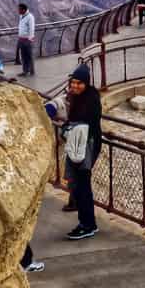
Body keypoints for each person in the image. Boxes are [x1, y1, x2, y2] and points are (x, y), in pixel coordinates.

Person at [63, 63, 102, 240]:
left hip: (87, 146)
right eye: (74, 82)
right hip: (78, 144)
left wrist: (69, 126)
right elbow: (72, 118)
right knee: (77, 185)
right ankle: (87, 222)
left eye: (79, 83)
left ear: (86, 84)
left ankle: (87, 225)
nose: (75, 86)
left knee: (83, 185)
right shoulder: (76, 97)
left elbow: (86, 120)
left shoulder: (91, 98)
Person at [17, 3, 36, 77]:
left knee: (29, 56)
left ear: (23, 10)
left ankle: (32, 71)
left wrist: (30, 39)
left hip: (27, 40)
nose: (18, 10)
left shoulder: (30, 17)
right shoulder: (21, 16)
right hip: (21, 39)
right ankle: (25, 71)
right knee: (23, 56)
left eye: (19, 9)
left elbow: (31, 28)